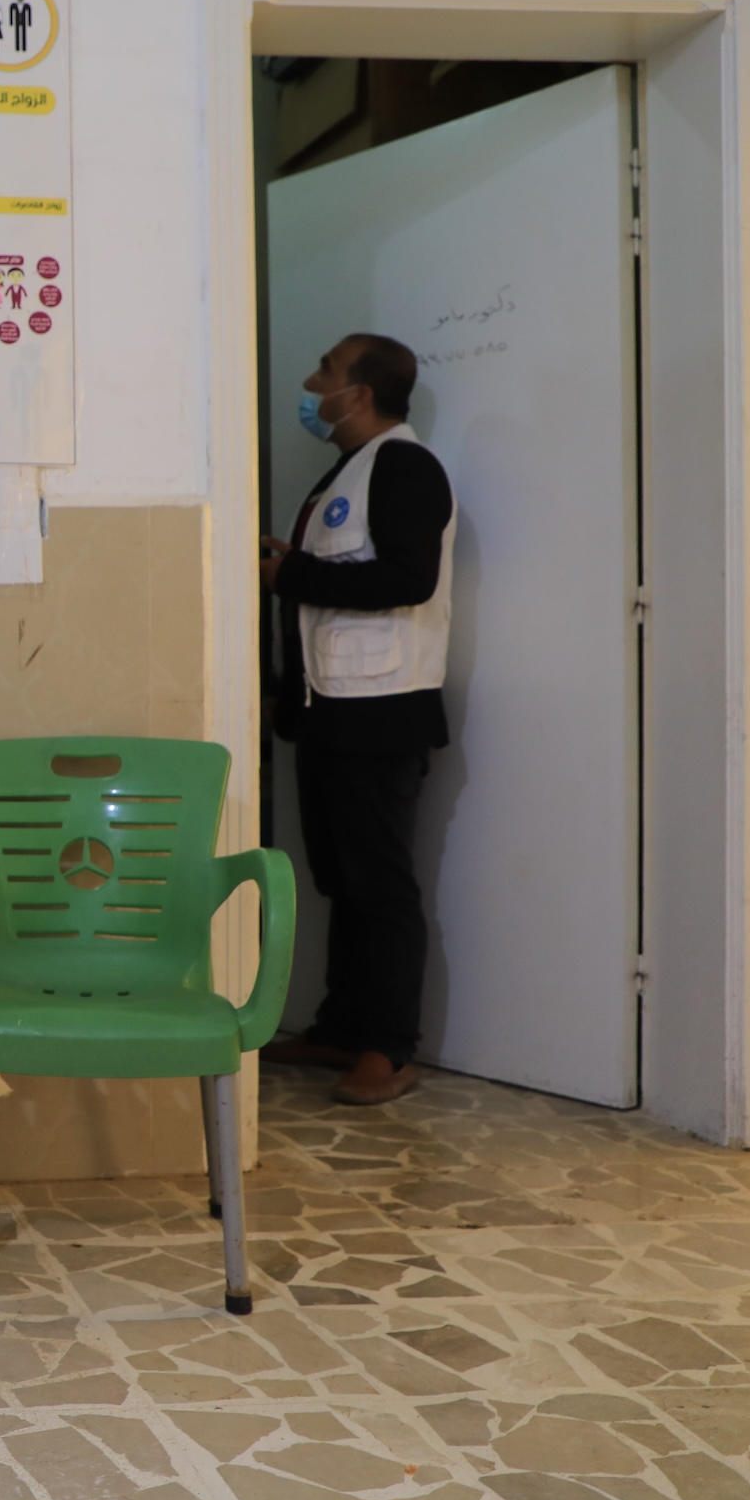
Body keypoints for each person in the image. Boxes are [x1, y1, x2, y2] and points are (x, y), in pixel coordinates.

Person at [259, 334, 454, 1106]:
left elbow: (409, 578)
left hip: (383, 714)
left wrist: (292, 573)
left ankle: (390, 1048)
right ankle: (343, 1026)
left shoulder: (406, 466)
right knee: (340, 879)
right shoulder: (352, 469)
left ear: (361, 393)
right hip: (330, 711)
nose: (312, 386)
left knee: (381, 886)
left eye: (326, 374)